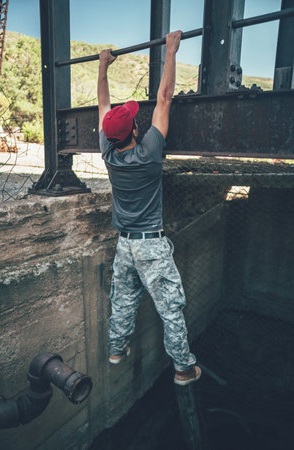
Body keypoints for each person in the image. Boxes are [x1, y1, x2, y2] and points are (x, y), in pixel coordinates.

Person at [97, 30, 201, 385]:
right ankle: (184, 368)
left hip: (124, 244)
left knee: (122, 300)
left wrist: (102, 67)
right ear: (135, 130)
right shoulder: (150, 153)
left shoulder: (108, 153)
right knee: (170, 309)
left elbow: (102, 108)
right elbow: (165, 97)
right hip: (150, 246)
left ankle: (115, 349)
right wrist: (171, 51)